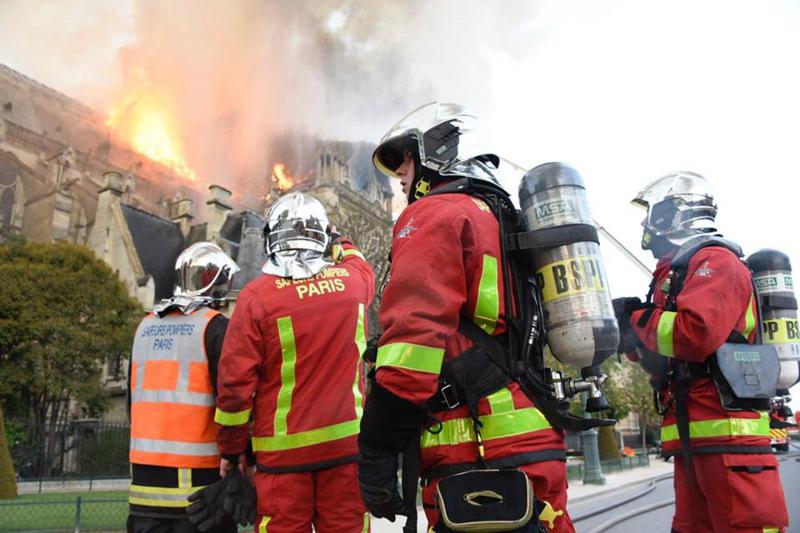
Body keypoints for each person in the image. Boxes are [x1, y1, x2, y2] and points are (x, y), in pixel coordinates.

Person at [359, 102, 573, 532]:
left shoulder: (434, 213)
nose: (400, 174)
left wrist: (377, 446)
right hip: (532, 435)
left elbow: (412, 345)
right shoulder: (499, 216)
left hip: (478, 451)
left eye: (406, 159)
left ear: (438, 152)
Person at [614, 171, 789, 533]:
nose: (645, 224)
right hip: (695, 441)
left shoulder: (716, 261)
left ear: (673, 214)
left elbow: (695, 335)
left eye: (650, 214)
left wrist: (636, 319)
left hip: (729, 442)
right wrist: (629, 337)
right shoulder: (677, 274)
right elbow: (668, 356)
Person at [214, 192, 375, 533]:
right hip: (347, 451)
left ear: (271, 239)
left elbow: (234, 387)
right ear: (323, 238)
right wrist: (340, 240)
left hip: (282, 460)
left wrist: (232, 450)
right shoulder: (354, 283)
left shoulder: (256, 297)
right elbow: (359, 262)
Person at [128, 242, 240, 533]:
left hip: (142, 492)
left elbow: (132, 405)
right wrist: (240, 457)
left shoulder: (144, 328)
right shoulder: (215, 328)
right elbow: (232, 402)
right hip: (200, 493)